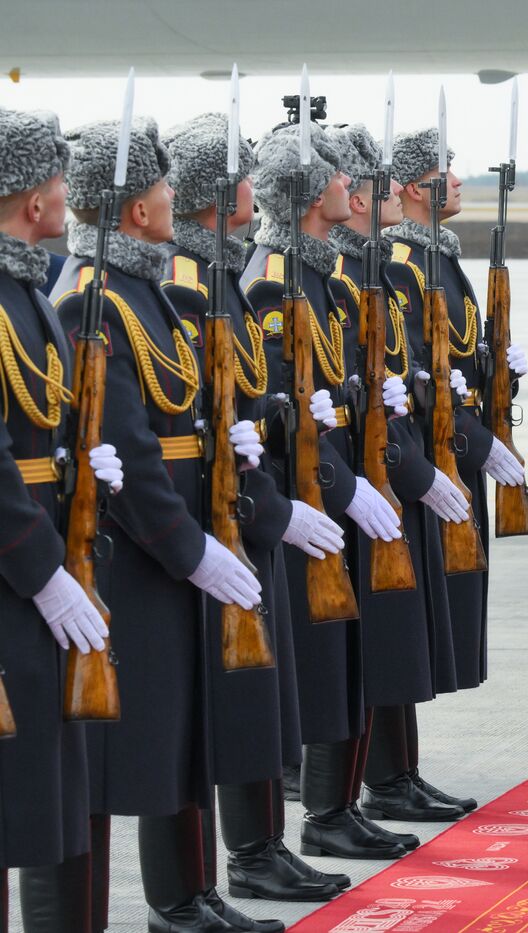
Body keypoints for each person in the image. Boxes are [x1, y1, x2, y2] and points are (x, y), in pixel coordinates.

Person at [53, 117, 280, 932]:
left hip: (182, 535)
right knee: (136, 744)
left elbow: (183, 404)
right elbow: (126, 446)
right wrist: (189, 549)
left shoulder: (147, 290)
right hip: (141, 552)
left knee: (183, 729)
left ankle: (191, 894)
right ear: (136, 213)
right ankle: (171, 900)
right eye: (161, 191)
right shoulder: (95, 299)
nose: (173, 199)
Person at [162, 112, 351, 903]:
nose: (253, 188)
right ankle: (235, 864)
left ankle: (259, 848)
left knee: (253, 694)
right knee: (218, 708)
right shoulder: (190, 280)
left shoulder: (219, 272)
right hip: (221, 519)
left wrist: (275, 410)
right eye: (238, 176)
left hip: (248, 509)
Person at [242, 121, 417, 862]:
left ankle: (337, 808)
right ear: (314, 193)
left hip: (338, 485)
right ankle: (318, 815)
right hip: (303, 500)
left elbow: (333, 393)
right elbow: (280, 409)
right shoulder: (275, 282)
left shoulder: (321, 276)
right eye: (342, 178)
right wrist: (341, 489)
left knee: (343, 654)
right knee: (316, 660)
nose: (354, 186)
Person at [325, 123, 476, 823]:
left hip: (393, 465)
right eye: (369, 181)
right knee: (367, 640)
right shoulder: (353, 272)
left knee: (387, 635)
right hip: (361, 477)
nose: (380, 190)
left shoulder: (379, 267)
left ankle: (391, 776)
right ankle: (353, 797)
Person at [0, 106, 124, 933]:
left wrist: (85, 470)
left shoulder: (25, 286)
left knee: (48, 791)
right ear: (31, 198)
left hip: (47, 553)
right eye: (55, 180)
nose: (64, 195)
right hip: (15, 573)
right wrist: (41, 570)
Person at [385, 125, 528, 769]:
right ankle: (386, 780)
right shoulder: (407, 264)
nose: (460, 179)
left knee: (422, 626)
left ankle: (399, 774)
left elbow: (460, 361)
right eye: (447, 168)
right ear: (418, 187)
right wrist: (476, 445)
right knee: (404, 624)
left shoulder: (437, 255)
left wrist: (504, 369)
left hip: (459, 441)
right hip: (440, 448)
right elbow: (423, 377)